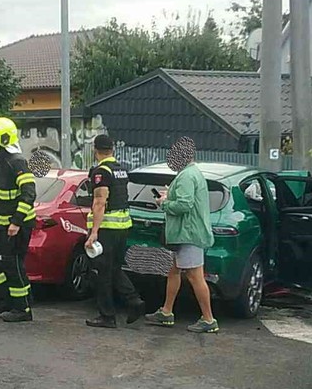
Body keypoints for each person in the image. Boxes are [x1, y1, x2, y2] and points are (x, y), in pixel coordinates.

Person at [144, 137, 218, 334]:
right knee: (174, 272)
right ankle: (166, 312)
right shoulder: (192, 173)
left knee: (195, 277)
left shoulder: (186, 176)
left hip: (188, 234)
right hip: (188, 233)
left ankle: (209, 319)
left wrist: (164, 203)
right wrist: (171, 195)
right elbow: (186, 199)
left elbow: (185, 205)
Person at [83, 134, 145, 328]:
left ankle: (107, 316)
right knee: (115, 268)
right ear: (112, 149)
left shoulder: (101, 172)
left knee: (101, 271)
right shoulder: (120, 169)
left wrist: (94, 233)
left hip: (107, 229)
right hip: (122, 227)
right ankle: (134, 301)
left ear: (96, 150)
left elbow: (100, 202)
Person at [0, 117, 36, 323]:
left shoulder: (16, 161)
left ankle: (23, 309)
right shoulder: (2, 160)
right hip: (1, 223)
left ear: (3, 138)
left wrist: (17, 222)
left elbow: (29, 193)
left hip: (16, 225)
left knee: (13, 264)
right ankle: (4, 301)